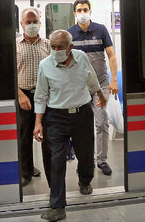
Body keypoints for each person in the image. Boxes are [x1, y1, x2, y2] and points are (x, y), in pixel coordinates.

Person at [33, 30, 107, 221]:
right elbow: (40, 95)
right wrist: (38, 122)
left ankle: (84, 180)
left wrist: (100, 94)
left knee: (85, 154)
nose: (56, 51)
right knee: (56, 161)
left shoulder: (81, 58)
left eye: (60, 47)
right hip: (55, 117)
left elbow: (91, 78)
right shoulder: (45, 65)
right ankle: (58, 206)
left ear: (70, 47)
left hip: (82, 114)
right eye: (53, 47)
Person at [67, 0, 119, 175]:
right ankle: (85, 162)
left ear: (90, 11)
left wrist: (114, 80)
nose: (82, 13)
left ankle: (102, 160)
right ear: (74, 13)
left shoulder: (101, 30)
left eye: (85, 9)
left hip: (101, 85)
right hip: (80, 88)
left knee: (102, 120)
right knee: (81, 126)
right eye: (79, 10)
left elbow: (111, 56)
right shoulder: (69, 34)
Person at [16, 7, 50, 186]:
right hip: (24, 96)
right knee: (24, 136)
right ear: (21, 24)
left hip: (46, 97)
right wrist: (20, 95)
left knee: (48, 136)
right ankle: (26, 171)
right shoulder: (15, 45)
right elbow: (9, 74)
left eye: (34, 21)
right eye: (28, 22)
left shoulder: (48, 45)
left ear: (40, 23)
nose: (31, 25)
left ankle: (51, 172)